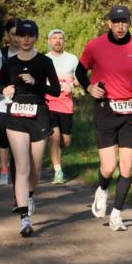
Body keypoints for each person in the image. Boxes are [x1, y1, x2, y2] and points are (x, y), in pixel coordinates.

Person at [76, 6, 132, 231]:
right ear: (109, 23)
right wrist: (89, 87)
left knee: (127, 167)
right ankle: (102, 189)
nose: (120, 26)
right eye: (116, 21)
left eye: (124, 21)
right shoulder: (95, 46)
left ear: (129, 22)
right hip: (106, 110)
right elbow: (80, 71)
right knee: (109, 167)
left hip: (130, 112)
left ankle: (117, 214)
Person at [0, 20, 60, 237]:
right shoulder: (10, 62)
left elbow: (56, 91)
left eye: (29, 36)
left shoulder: (44, 62)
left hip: (39, 114)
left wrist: (35, 82)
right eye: (21, 35)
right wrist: (6, 88)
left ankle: (29, 195)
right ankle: (24, 218)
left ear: (36, 38)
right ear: (15, 38)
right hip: (16, 116)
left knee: (35, 169)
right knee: (22, 167)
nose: (25, 39)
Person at [0, 18, 20, 186]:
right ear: (7, 35)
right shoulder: (0, 54)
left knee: (21, 139)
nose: (17, 38)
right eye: (13, 34)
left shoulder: (30, 52)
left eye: (20, 34)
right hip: (3, 103)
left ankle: (20, 171)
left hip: (23, 104)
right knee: (4, 138)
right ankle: (4, 170)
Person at [45, 28, 79, 184]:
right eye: (54, 38)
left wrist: (72, 85)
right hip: (49, 104)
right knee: (54, 137)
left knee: (65, 141)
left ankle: (55, 154)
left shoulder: (72, 59)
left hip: (66, 105)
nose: (57, 41)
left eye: (60, 38)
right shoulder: (43, 60)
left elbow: (80, 79)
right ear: (49, 41)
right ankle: (58, 171)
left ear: (64, 41)